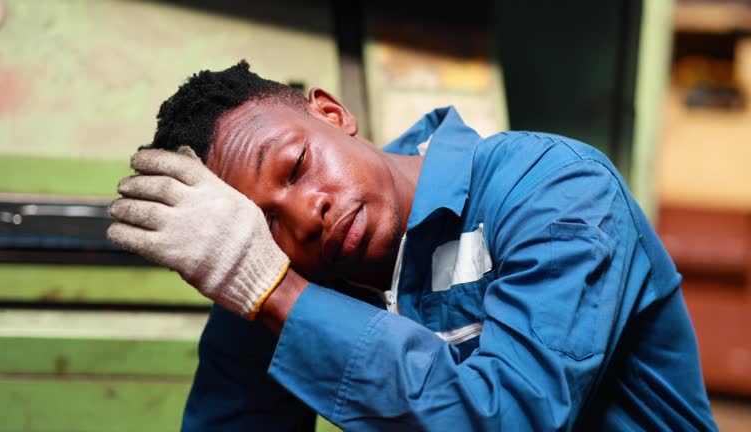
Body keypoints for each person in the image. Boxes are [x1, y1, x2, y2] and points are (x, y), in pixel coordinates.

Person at [107, 60, 717, 431]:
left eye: (297, 166)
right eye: (263, 225)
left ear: (331, 112)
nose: (305, 215)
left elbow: (512, 419)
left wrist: (277, 291)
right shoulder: (274, 273)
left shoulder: (551, 186)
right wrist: (265, 285)